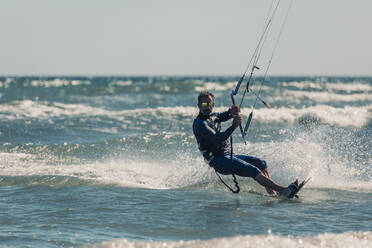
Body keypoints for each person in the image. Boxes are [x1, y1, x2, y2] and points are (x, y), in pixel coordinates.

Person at [192, 91, 298, 198]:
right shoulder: (200, 124)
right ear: (199, 106)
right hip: (219, 161)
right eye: (204, 104)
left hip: (228, 155)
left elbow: (221, 116)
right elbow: (217, 139)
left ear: (213, 105)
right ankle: (284, 191)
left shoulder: (212, 116)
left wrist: (231, 112)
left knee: (261, 163)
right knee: (253, 170)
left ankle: (273, 193)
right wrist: (234, 126)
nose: (207, 107)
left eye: (210, 104)